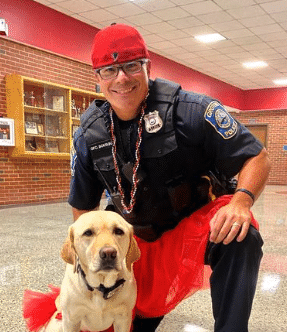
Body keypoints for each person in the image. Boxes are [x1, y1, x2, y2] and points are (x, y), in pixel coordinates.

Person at [68, 23, 270, 332]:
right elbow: (83, 212)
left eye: (131, 66)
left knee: (242, 236)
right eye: (109, 70)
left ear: (147, 66)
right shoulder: (88, 135)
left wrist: (241, 202)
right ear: (98, 78)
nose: (121, 78)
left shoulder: (192, 110)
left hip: (193, 229)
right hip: (136, 243)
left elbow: (256, 156)